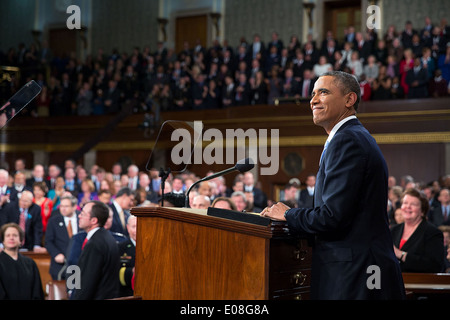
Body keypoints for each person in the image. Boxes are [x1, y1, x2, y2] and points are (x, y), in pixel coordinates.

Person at [260, 71, 405, 300]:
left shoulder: (347, 140)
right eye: (313, 93)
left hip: (356, 273)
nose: (313, 100)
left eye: (323, 92)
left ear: (349, 100)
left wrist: (288, 215)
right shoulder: (352, 137)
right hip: (362, 269)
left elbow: (332, 216)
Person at [70, 200, 120, 300]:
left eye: (83, 214)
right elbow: (71, 264)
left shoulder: (95, 243)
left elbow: (88, 281)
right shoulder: (107, 237)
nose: (79, 216)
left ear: (93, 221)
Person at [391, 188, 445, 273]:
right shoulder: (393, 230)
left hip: (420, 283)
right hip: (393, 281)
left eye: (413, 204)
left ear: (422, 211)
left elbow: (435, 265)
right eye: (405, 203)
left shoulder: (432, 233)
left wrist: (401, 254)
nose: (408, 207)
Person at [0, 223, 44, 299]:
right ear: (3, 240)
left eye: (15, 235)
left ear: (21, 240)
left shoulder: (30, 263)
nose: (11, 238)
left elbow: (37, 291)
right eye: (8, 235)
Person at [45, 195, 79, 280]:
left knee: (74, 290)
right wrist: (56, 254)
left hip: (78, 265)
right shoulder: (54, 220)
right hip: (60, 266)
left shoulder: (81, 218)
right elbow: (48, 241)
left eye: (66, 206)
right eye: (61, 206)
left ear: (74, 207)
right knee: (60, 291)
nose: (63, 209)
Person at [118, 215, 137, 297]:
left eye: (140, 226)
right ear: (128, 228)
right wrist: (132, 271)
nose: (137, 230)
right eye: (134, 227)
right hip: (126, 293)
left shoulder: (151, 247)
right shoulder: (120, 247)